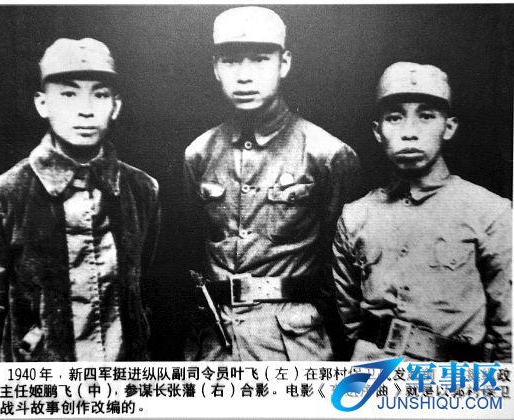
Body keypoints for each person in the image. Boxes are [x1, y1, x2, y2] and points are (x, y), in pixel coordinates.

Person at [183, 6, 361, 361]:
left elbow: (341, 267)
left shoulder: (327, 154)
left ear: (285, 63)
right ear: (216, 68)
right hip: (215, 340)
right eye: (231, 61)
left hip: (292, 342)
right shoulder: (198, 154)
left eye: (261, 60)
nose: (244, 76)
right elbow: (191, 247)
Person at [0, 38, 160, 362]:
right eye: (69, 94)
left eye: (100, 94)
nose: (86, 110)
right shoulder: (2, 197)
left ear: (116, 106)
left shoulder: (142, 190)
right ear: (42, 104)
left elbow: (147, 291)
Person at [332, 61, 512, 361]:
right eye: (394, 118)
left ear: (449, 127)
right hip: (372, 373)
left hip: (452, 378)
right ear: (377, 131)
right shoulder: (355, 217)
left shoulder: (491, 213)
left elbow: (509, 328)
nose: (409, 132)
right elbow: (348, 316)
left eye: (426, 117)